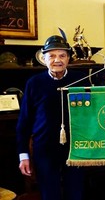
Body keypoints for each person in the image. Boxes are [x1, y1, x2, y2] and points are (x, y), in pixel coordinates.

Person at [16, 35, 90, 200]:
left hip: (75, 149)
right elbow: (24, 122)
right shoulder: (34, 83)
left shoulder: (80, 80)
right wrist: (23, 155)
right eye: (52, 56)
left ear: (69, 58)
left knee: (75, 194)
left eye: (62, 55)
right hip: (45, 150)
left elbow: (90, 115)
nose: (57, 60)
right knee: (50, 195)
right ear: (44, 58)